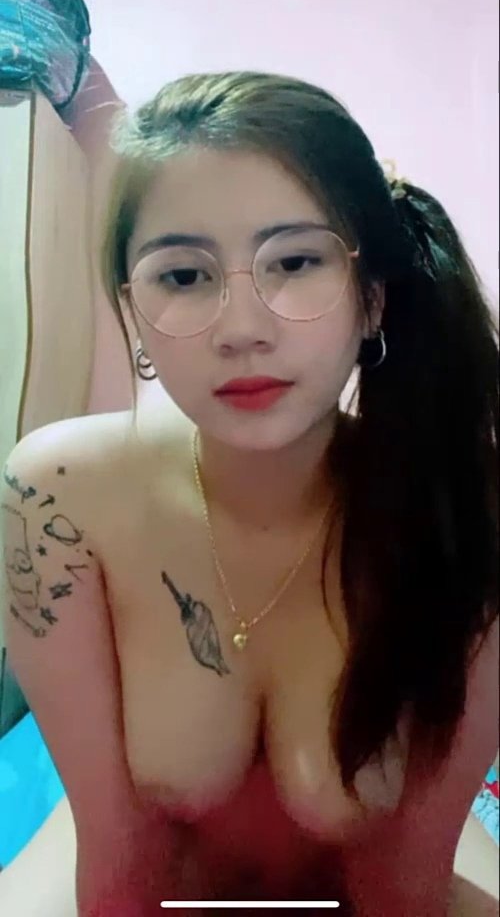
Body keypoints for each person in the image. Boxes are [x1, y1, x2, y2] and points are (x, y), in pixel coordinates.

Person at [1, 70, 498, 915]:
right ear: (133, 311)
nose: (241, 328)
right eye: (182, 276)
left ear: (372, 298)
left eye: (295, 262)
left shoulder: (462, 504)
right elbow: (120, 860)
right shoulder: (59, 500)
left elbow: (405, 880)